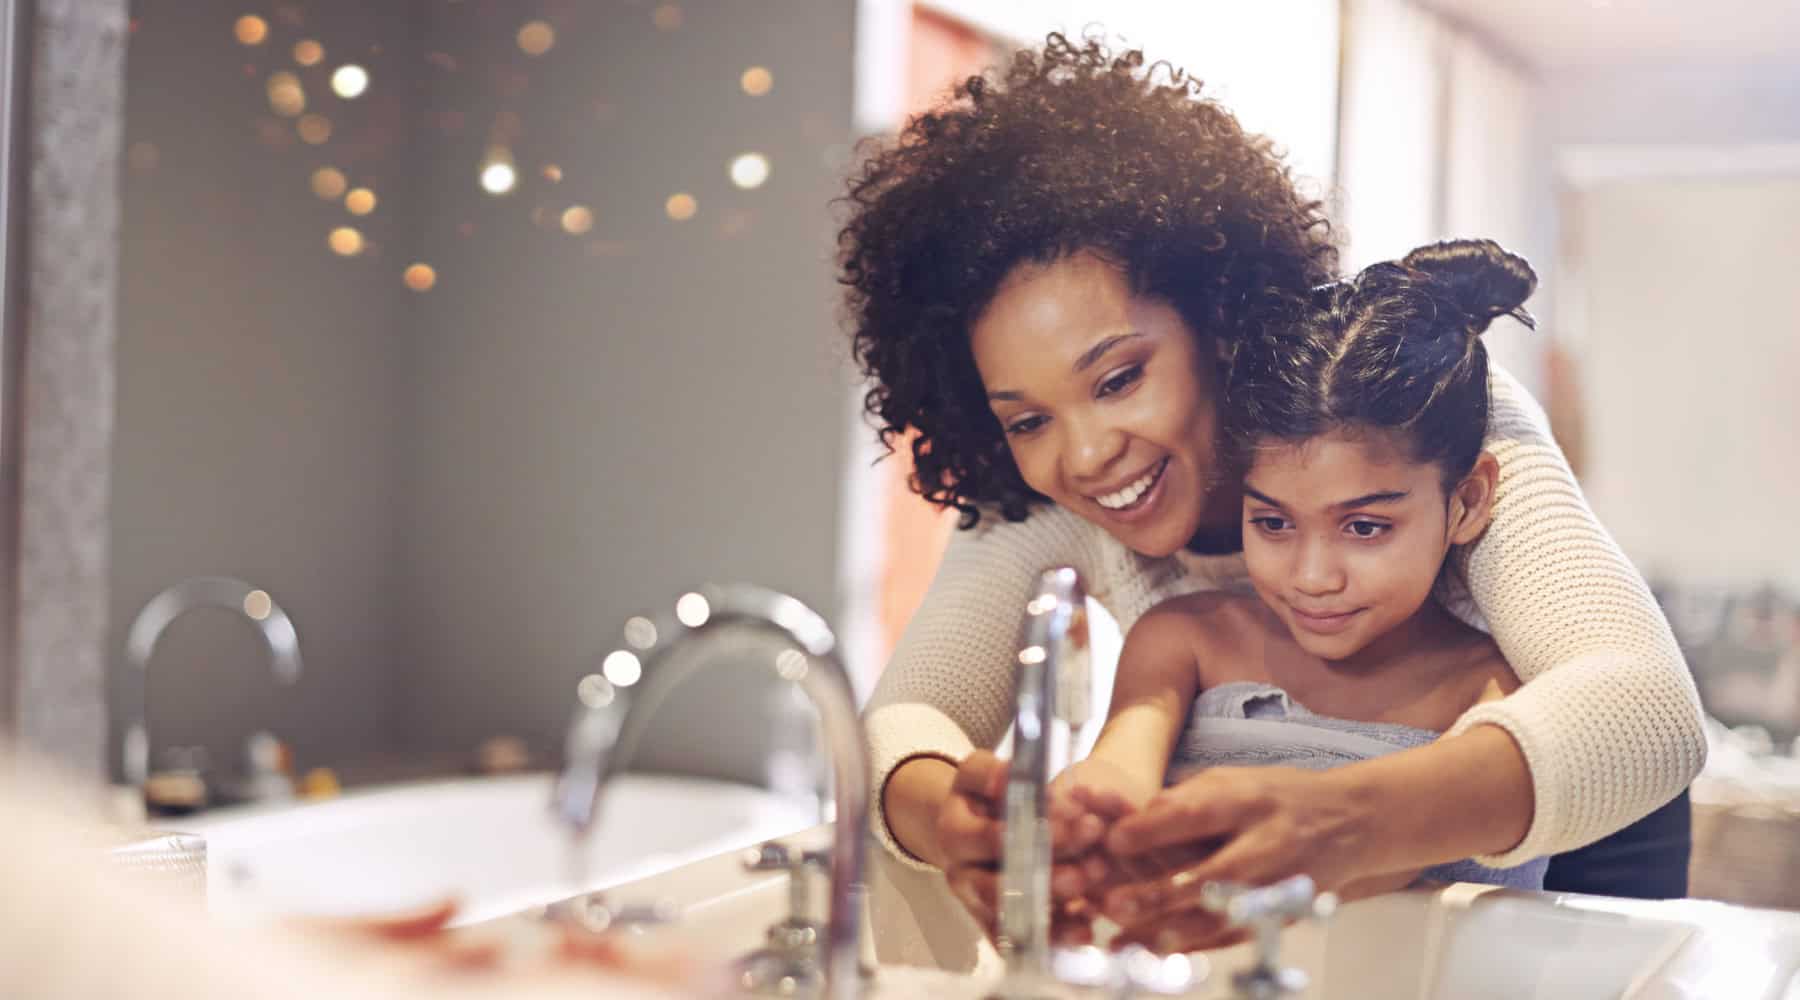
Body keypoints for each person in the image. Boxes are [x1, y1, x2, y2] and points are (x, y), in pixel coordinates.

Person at [838, 34, 1704, 951]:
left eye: (1120, 377)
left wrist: (1352, 819)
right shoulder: (1045, 496)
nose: (1086, 453)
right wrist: (952, 822)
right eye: (1026, 419)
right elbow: (905, 716)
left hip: (1575, 810)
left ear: (1216, 319)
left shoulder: (1409, 413)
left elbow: (1646, 708)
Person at [1047, 240, 1550, 949]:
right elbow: (1119, 768)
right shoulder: (1185, 641)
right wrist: (1086, 818)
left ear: (1467, 501)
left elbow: (1393, 871)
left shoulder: (1499, 687)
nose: (1313, 575)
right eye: (1273, 522)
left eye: (1366, 526)